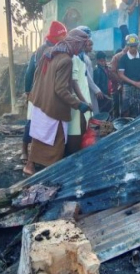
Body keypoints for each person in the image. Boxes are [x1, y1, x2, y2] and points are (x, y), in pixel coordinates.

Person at [23, 29, 90, 176]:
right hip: (54, 105)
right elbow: (61, 89)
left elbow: (36, 75)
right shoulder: (66, 60)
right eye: (82, 46)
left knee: (39, 137)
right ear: (75, 44)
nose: (81, 50)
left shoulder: (50, 52)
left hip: (40, 102)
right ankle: (52, 172)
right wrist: (79, 104)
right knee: (57, 140)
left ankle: (30, 166)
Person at [23, 21, 68, 163]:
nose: (65, 38)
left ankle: (41, 157)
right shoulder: (42, 50)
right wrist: (28, 91)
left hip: (49, 93)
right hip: (39, 92)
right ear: (56, 36)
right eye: (63, 35)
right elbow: (29, 73)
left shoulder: (58, 48)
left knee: (46, 125)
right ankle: (25, 151)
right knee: (33, 123)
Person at [67, 31, 94, 156]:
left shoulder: (80, 57)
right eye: (84, 42)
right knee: (75, 133)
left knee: (82, 131)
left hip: (83, 101)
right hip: (78, 103)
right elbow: (74, 82)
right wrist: (83, 101)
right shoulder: (73, 58)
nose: (85, 45)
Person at [118, 35, 140, 118]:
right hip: (128, 86)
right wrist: (135, 83)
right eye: (131, 46)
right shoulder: (123, 58)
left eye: (135, 46)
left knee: (139, 107)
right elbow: (121, 74)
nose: (133, 48)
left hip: (139, 85)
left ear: (137, 46)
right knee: (126, 108)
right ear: (128, 46)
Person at [108, 47, 128, 118]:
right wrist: (121, 81)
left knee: (120, 107)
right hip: (117, 87)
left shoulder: (117, 57)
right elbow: (112, 72)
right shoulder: (117, 57)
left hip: (123, 87)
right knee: (118, 107)